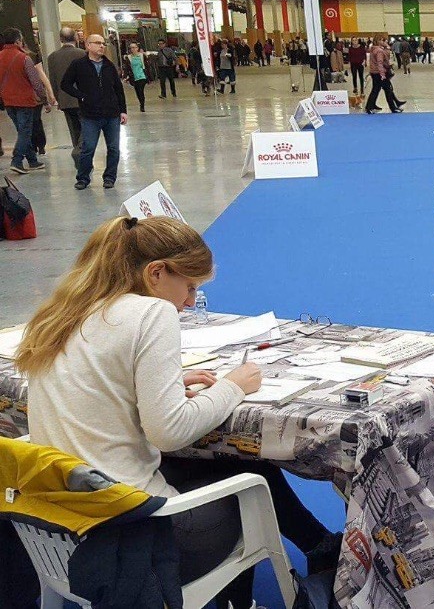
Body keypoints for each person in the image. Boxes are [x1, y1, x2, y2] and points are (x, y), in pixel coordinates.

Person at [15, 215, 340, 609]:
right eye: (189, 287)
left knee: (244, 472)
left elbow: (97, 383)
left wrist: (156, 384)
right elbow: (169, 431)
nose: (189, 302)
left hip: (58, 529)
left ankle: (321, 547)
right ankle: (311, 561)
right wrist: (234, 385)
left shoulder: (63, 312)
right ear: (156, 273)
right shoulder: (151, 314)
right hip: (131, 529)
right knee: (253, 482)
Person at [61, 34, 127, 190]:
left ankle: (109, 177)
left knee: (113, 148)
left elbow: (118, 89)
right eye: (98, 43)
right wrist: (81, 96)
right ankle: (83, 178)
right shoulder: (78, 65)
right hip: (90, 115)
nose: (101, 46)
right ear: (88, 45)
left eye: (103, 43)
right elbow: (65, 84)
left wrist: (123, 111)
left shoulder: (109, 65)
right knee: (88, 147)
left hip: (111, 115)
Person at [0, 27, 49, 174]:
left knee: (22, 131)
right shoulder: (24, 58)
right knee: (25, 132)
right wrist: (44, 98)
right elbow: (36, 82)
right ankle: (17, 161)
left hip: (8, 101)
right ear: (17, 41)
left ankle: (33, 161)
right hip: (25, 101)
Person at [47, 26, 87, 169]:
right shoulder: (83, 54)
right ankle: (79, 152)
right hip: (83, 99)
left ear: (60, 39)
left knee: (74, 129)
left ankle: (80, 160)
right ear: (76, 38)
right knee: (87, 129)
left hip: (65, 100)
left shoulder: (52, 57)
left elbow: (53, 80)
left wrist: (57, 99)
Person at [365, 36, 405, 114]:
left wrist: (386, 47)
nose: (385, 42)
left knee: (375, 90)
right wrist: (382, 74)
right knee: (388, 90)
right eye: (383, 40)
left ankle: (369, 107)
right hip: (380, 73)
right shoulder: (379, 51)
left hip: (375, 73)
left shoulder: (374, 49)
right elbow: (380, 63)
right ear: (379, 41)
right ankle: (393, 108)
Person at [124, 41, 149, 112]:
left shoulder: (142, 56)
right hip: (134, 77)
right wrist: (125, 76)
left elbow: (147, 66)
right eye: (131, 48)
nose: (132, 49)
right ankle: (141, 102)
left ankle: (142, 105)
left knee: (141, 90)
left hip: (142, 76)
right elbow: (126, 68)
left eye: (134, 47)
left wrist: (149, 77)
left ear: (137, 48)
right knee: (137, 91)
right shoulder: (128, 57)